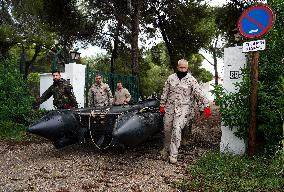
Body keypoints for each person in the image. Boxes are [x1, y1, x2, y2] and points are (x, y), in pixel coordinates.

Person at [159, 59, 211, 164]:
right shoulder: (171, 78)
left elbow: (199, 93)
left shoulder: (192, 80)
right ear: (177, 67)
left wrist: (206, 105)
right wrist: (162, 104)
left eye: (185, 68)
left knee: (176, 129)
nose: (182, 70)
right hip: (170, 107)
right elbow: (165, 91)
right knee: (167, 128)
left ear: (187, 68)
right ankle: (166, 148)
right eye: (181, 67)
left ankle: (173, 154)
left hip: (182, 109)